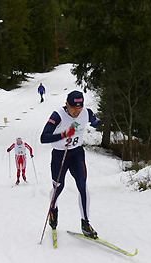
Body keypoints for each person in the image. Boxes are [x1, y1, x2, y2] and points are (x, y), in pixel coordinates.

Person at [40, 90, 100, 239]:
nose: (76, 112)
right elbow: (44, 137)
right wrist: (63, 134)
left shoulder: (86, 112)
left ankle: (85, 223)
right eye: (73, 109)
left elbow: (94, 120)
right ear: (67, 105)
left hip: (77, 153)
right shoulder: (58, 115)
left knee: (82, 185)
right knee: (58, 187)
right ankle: (53, 210)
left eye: (79, 109)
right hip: (60, 155)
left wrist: (97, 123)